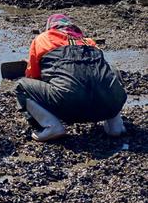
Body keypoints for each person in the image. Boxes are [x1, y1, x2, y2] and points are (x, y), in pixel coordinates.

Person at [16, 14, 127, 142]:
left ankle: (51, 126)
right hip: (109, 104)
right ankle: (115, 125)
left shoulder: (43, 39)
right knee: (109, 72)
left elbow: (33, 76)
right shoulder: (89, 42)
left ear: (50, 27)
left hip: (70, 106)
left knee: (22, 87)